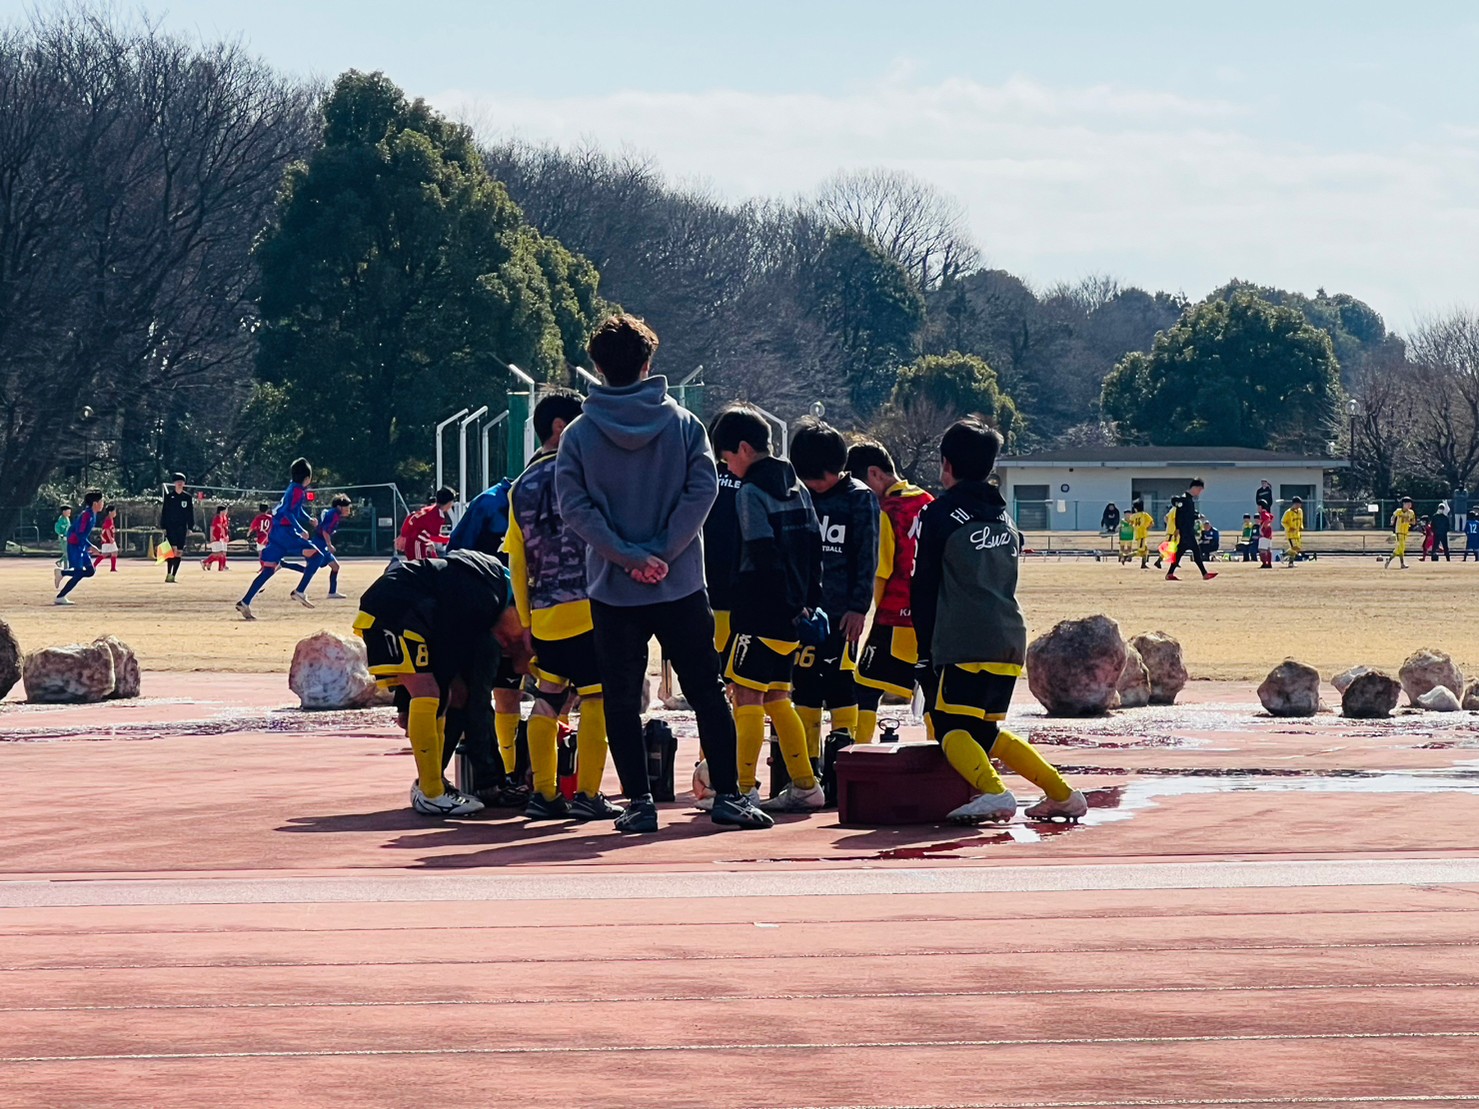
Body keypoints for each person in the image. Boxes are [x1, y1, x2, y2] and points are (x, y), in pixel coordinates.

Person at [555, 313, 772, 833]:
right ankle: (729, 796)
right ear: (649, 363)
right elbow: (703, 491)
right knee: (706, 691)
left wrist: (629, 557)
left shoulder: (580, 435)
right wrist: (663, 553)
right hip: (679, 583)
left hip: (614, 585)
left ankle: (639, 804)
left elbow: (575, 507)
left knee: (621, 697)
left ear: (597, 368)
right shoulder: (683, 425)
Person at [912, 419, 1087, 825]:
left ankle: (994, 793)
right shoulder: (1006, 519)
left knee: (948, 726)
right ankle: (1062, 793)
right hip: (1009, 638)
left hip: (962, 640)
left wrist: (923, 653)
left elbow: (922, 587)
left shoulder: (937, 515)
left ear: (946, 464)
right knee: (985, 732)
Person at [504, 390, 622, 824]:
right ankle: (589, 793)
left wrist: (527, 619)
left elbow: (516, 561)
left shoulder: (519, 487)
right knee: (597, 699)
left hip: (547, 612)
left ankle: (544, 793)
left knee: (548, 698)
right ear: (560, 427)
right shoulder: (587, 471)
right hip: (592, 605)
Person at [354, 549, 530, 817]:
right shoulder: (485, 599)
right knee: (432, 693)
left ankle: (433, 784)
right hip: (400, 609)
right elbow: (447, 652)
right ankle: (431, 791)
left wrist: (407, 704)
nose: (506, 645)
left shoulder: (491, 584)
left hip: (399, 605)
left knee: (442, 694)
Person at [712, 405, 825, 813]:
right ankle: (806, 783)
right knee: (778, 695)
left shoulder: (750, 493)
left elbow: (762, 556)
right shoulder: (799, 487)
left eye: (727, 458)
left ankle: (743, 788)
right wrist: (807, 604)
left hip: (759, 609)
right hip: (794, 614)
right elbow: (814, 549)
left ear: (743, 448)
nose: (728, 466)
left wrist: (773, 604)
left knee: (746, 697)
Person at [776, 416, 876, 776]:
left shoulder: (859, 499)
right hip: (804, 613)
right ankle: (806, 767)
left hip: (842, 615)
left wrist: (858, 608)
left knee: (840, 686)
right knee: (803, 688)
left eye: (817, 478)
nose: (811, 485)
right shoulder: (797, 496)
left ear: (837, 469)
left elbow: (867, 557)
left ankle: (843, 763)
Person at [846, 439, 934, 742]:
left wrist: (875, 615)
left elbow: (881, 572)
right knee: (930, 695)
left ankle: (858, 754)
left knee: (865, 688)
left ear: (874, 474)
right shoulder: (928, 502)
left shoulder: (886, 510)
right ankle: (942, 758)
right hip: (931, 619)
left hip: (896, 617)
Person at [446, 475, 525, 802]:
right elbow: (455, 555)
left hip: (527, 608)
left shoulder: (563, 493)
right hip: (488, 612)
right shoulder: (491, 504)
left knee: (525, 693)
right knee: (483, 694)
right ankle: (494, 778)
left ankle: (518, 773)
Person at [235, 458, 317, 620]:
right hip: (285, 532)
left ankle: (245, 602)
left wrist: (308, 519)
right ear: (307, 478)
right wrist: (301, 530)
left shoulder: (292, 488)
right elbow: (288, 512)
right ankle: (300, 591)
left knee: (269, 570)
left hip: (276, 531)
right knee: (317, 554)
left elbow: (296, 510)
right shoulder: (298, 491)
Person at [703, 418, 743, 657]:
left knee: (711, 665)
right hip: (739, 590)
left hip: (705, 586)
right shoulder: (755, 478)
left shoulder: (702, 473)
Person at [297, 494, 351, 600]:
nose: (348, 510)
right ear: (340, 507)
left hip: (321, 542)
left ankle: (332, 592)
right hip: (320, 543)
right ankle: (284, 565)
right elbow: (325, 531)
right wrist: (329, 544)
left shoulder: (333, 513)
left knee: (335, 567)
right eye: (347, 508)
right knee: (310, 569)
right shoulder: (334, 515)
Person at [54, 490, 103, 605]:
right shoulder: (86, 515)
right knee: (79, 573)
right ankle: (60, 597)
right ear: (95, 503)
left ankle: (62, 573)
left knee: (90, 571)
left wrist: (88, 546)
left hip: (80, 545)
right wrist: (91, 546)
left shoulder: (92, 514)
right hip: (75, 545)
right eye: (101, 501)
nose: (103, 504)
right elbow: (79, 533)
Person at [1165, 479, 1217, 581]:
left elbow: (1188, 515)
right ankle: (1204, 573)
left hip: (1186, 530)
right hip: (1186, 531)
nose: (1199, 492)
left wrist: (1197, 516)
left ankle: (1170, 573)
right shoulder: (1185, 499)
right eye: (1200, 490)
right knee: (1196, 551)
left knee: (1180, 553)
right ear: (1195, 487)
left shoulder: (1189, 500)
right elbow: (1177, 509)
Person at [398, 488, 455, 561]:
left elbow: (411, 517)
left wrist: (403, 535)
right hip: (417, 543)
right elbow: (434, 537)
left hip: (415, 542)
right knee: (420, 567)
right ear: (449, 502)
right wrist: (450, 539)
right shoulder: (437, 516)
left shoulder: (430, 509)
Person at [160, 473, 194, 583]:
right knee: (172, 550)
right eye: (177, 482)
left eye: (182, 482)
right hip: (171, 527)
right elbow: (164, 512)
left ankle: (173, 575)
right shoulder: (169, 497)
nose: (179, 484)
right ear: (174, 483)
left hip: (182, 527)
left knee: (179, 551)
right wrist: (163, 526)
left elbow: (190, 513)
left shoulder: (187, 497)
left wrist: (190, 527)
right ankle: (168, 573)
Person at [1386, 497, 1416, 570]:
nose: (1409, 505)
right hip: (1399, 532)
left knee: (1399, 549)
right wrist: (1392, 521)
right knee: (1401, 548)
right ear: (1404, 504)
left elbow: (1414, 522)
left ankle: (1389, 559)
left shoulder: (1411, 512)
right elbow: (1393, 516)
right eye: (1408, 503)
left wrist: (1408, 521)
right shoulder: (1399, 511)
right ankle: (1402, 564)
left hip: (1405, 532)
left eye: (1410, 504)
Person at [1126, 498, 1154, 570]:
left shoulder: (1133, 516)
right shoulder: (1144, 515)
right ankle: (1126, 556)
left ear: (1135, 508)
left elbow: (1130, 523)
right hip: (1142, 534)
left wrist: (1135, 527)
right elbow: (1151, 523)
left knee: (1146, 550)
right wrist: (1146, 527)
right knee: (1141, 551)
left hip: (1138, 534)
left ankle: (1143, 564)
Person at [202, 505, 231, 570]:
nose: (226, 512)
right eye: (224, 510)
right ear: (221, 511)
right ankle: (206, 562)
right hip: (216, 537)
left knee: (222, 553)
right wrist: (212, 536)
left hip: (221, 537)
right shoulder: (217, 518)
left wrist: (225, 536)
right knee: (218, 553)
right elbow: (213, 527)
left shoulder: (224, 517)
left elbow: (224, 528)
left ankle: (220, 566)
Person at [1281, 497, 1305, 567]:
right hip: (1290, 534)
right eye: (1298, 504)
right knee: (1293, 548)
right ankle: (1283, 555)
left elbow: (1301, 520)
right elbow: (1283, 522)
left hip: (1297, 533)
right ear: (1294, 504)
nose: (1299, 506)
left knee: (1297, 548)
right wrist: (1289, 528)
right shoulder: (1288, 512)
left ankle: (1291, 563)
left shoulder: (1300, 511)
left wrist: (1301, 526)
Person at [95, 505, 119, 572]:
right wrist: (110, 538)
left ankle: (113, 568)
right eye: (114, 511)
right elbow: (107, 529)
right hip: (107, 540)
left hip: (108, 540)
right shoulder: (108, 520)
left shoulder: (110, 519)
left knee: (114, 552)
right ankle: (94, 565)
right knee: (105, 554)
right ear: (110, 512)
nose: (115, 513)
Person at [1258, 504, 1275, 569]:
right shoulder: (1268, 513)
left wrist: (1262, 528)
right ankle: (1269, 563)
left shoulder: (1263, 514)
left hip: (1264, 534)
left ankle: (1265, 563)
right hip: (1269, 534)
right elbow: (1271, 517)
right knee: (1268, 549)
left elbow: (1267, 520)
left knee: (1262, 549)